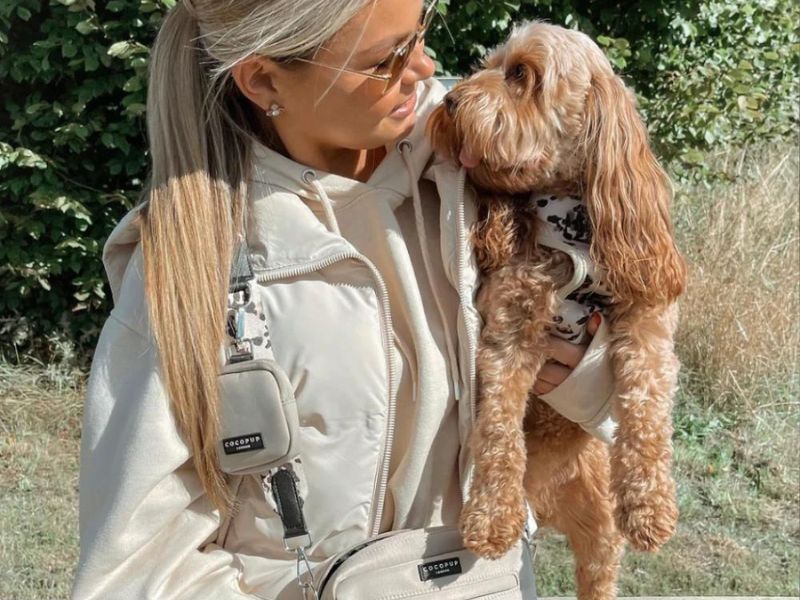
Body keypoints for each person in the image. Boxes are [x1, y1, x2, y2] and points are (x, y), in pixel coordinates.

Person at [71, 0, 618, 598]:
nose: (425, 67)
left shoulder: (479, 159)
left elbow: (634, 351)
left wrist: (584, 375)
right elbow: (135, 568)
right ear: (264, 81)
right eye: (386, 60)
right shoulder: (189, 260)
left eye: (420, 33)